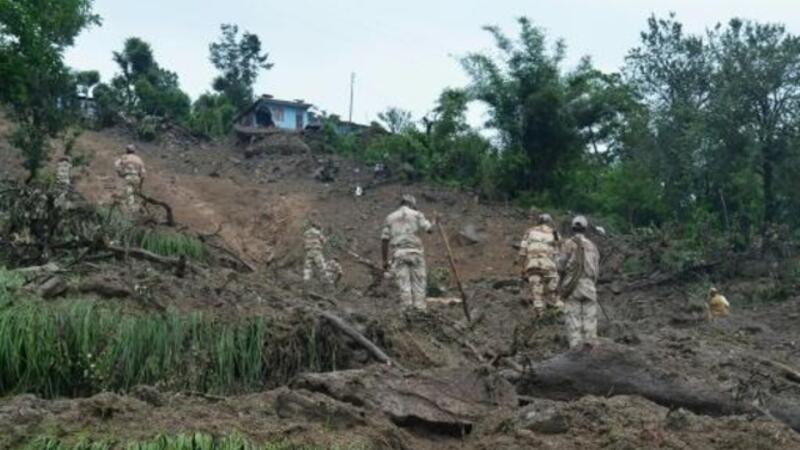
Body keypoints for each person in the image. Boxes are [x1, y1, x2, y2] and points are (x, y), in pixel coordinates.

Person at [381, 194, 434, 311]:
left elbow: (384, 240)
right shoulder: (417, 214)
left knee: (403, 285)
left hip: (399, 254)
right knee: (419, 284)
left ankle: (406, 311)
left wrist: (384, 261)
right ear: (412, 204)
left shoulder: (390, 217)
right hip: (415, 253)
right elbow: (429, 230)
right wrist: (435, 221)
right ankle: (420, 311)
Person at [557, 215, 600, 348]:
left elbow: (560, 266)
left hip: (572, 287)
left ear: (572, 228)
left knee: (574, 324)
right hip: (589, 287)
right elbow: (596, 270)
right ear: (585, 229)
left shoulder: (568, 244)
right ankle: (591, 351)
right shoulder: (592, 246)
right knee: (590, 323)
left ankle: (576, 351)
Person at [518, 212, 562, 315]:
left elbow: (522, 251)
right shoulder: (554, 233)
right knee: (553, 290)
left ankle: (540, 314)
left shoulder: (529, 231)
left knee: (536, 291)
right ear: (549, 222)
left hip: (532, 265)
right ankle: (556, 309)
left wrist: (522, 267)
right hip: (549, 265)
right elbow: (558, 252)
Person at [114, 145, 146, 213]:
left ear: (127, 150)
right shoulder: (138, 159)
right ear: (134, 151)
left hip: (128, 176)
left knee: (129, 193)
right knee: (135, 194)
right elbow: (143, 172)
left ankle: (130, 209)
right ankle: (138, 209)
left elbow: (116, 164)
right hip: (137, 177)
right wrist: (141, 182)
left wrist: (119, 173)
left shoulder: (124, 157)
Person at [303, 216, 330, 286]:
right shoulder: (318, 233)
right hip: (316, 251)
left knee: (307, 267)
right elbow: (324, 241)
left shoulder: (306, 233)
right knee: (322, 266)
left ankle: (306, 281)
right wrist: (326, 237)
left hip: (308, 251)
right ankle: (328, 280)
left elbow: (304, 242)